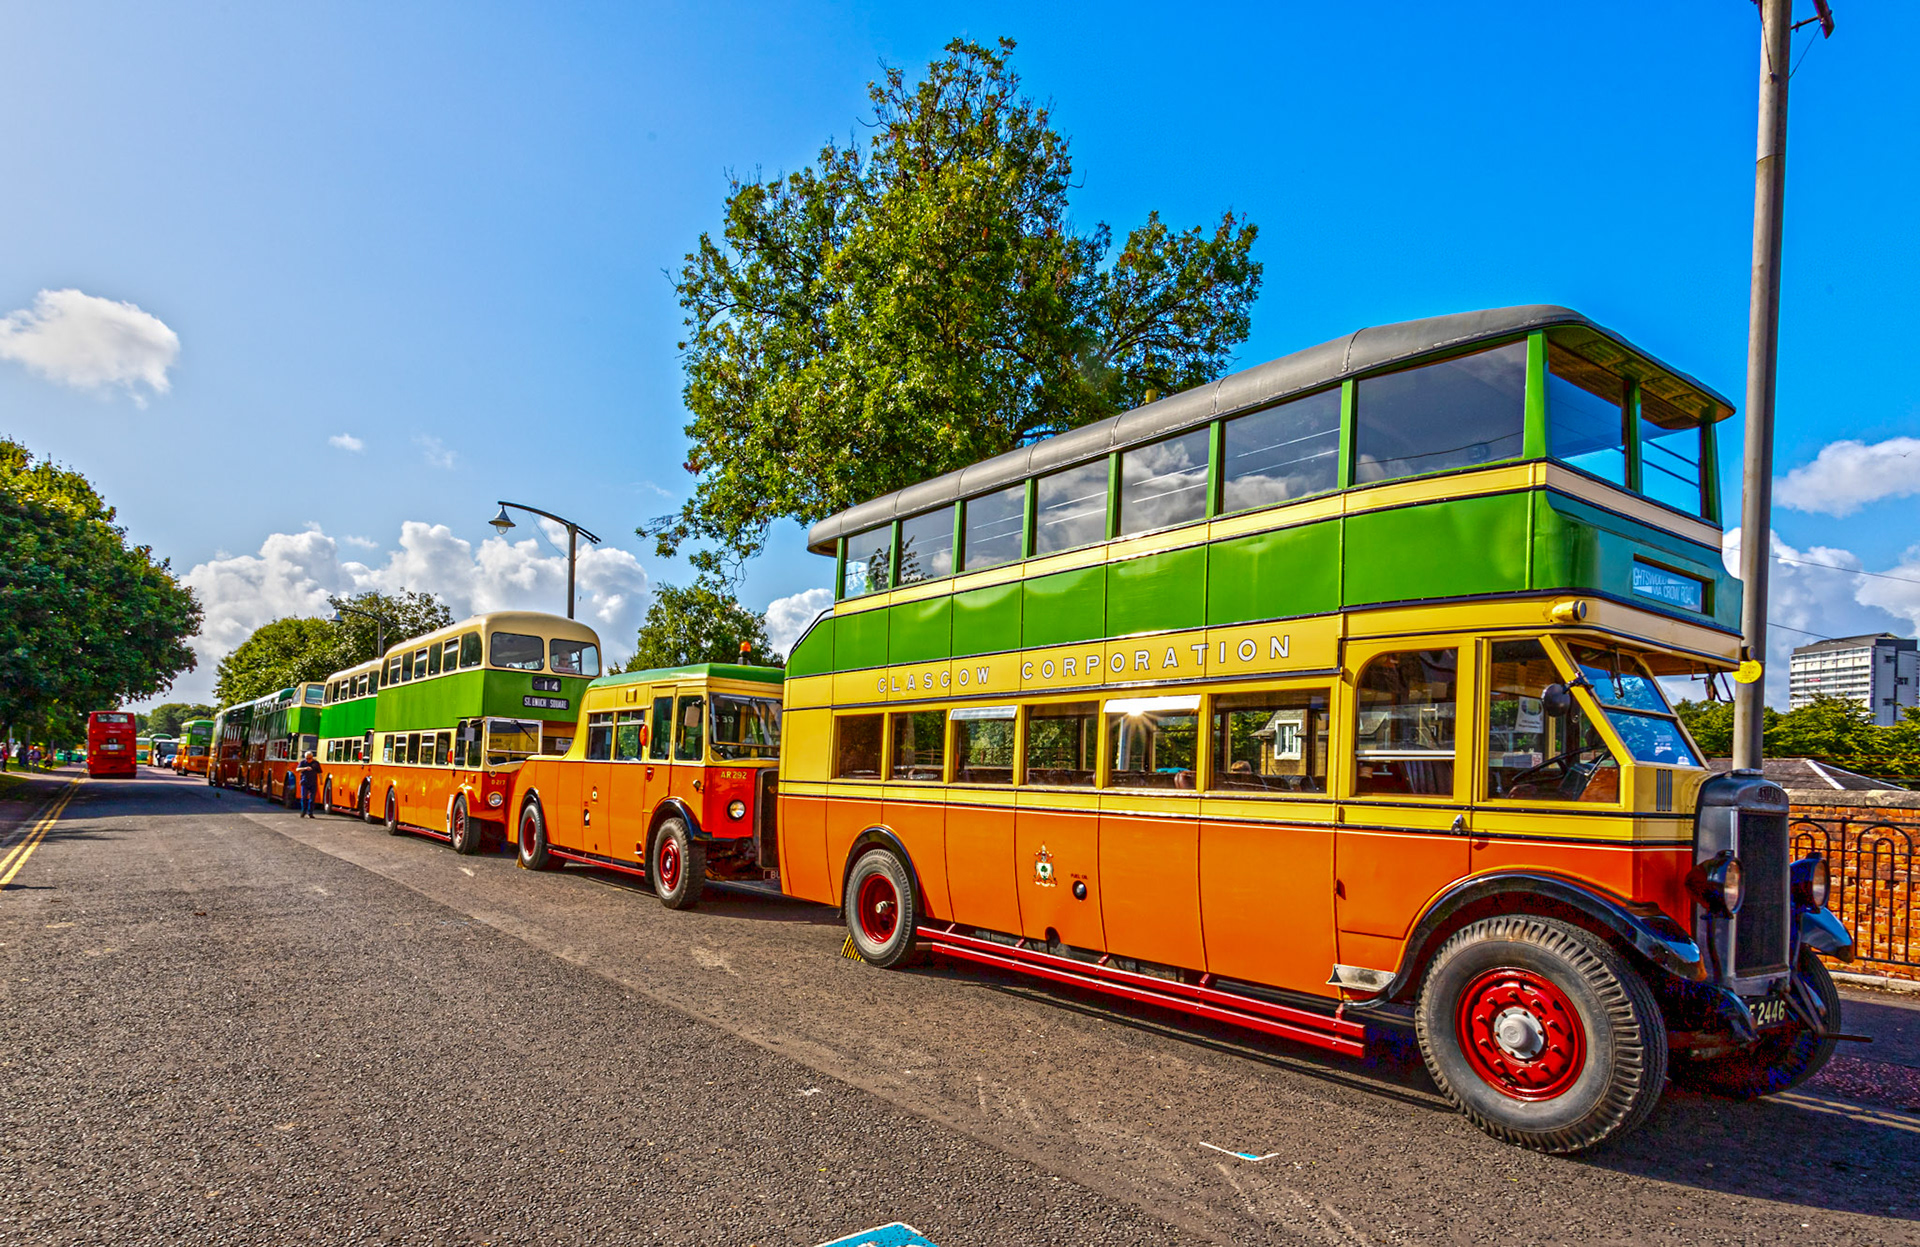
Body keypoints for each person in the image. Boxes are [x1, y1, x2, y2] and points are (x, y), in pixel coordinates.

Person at [297, 750, 322, 818]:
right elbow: (297, 770)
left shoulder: (316, 763)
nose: (308, 760)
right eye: (307, 758)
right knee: (304, 797)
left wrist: (321, 780)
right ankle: (303, 811)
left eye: (309, 758)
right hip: (304, 782)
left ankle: (310, 812)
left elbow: (319, 772)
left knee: (312, 799)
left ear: (312, 757)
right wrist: (305, 768)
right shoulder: (303, 762)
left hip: (313, 783)